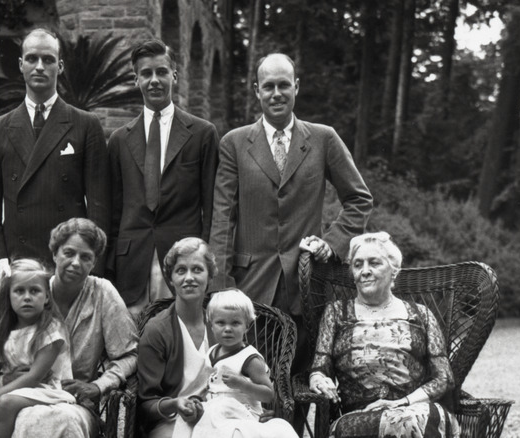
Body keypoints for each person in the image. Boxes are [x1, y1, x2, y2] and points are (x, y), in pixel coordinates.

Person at [208, 52, 373, 378]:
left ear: (296, 87)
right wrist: (222, 287)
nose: (276, 93)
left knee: (296, 385)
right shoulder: (235, 143)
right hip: (249, 287)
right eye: (268, 86)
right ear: (257, 91)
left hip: (305, 285)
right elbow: (222, 218)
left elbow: (359, 199)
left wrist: (332, 243)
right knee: (249, 384)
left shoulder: (323, 138)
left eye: (284, 85)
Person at [0, 28, 110, 279]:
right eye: (32, 59)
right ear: (21, 64)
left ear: (59, 66)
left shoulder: (85, 125)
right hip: (18, 265)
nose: (39, 66)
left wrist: (93, 266)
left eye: (48, 60)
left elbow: (98, 206)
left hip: (70, 262)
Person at [0, 218, 137, 437]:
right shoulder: (32, 293)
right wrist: (6, 378)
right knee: (26, 418)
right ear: (55, 254)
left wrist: (98, 386)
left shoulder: (102, 293)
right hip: (21, 396)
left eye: (86, 257)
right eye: (69, 253)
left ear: (94, 262)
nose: (76, 263)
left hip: (75, 402)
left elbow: (130, 355)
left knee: (63, 420)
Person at [309, 232, 460, 437]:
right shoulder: (336, 312)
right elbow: (319, 367)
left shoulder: (420, 314)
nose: (365, 271)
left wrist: (403, 403)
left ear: (394, 270)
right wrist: (318, 380)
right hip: (359, 416)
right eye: (357, 264)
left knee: (410, 420)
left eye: (374, 263)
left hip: (415, 407)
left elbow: (444, 378)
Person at [108, 39, 219, 316]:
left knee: (181, 341)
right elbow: (113, 210)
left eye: (161, 72)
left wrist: (205, 259)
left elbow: (213, 205)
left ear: (175, 75)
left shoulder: (202, 134)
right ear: (136, 80)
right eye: (146, 74)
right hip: (133, 263)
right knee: (133, 343)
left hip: (183, 260)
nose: (154, 80)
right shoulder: (119, 140)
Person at [0, 259, 75, 437]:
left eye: (35, 291)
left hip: (44, 392)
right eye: (19, 291)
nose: (27, 297)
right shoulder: (3, 332)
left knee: (5, 404)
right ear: (8, 297)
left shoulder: (50, 331)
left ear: (47, 296)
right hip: (7, 392)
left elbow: (34, 377)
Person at [179, 289, 297, 438]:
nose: (228, 329)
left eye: (235, 323)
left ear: (247, 326)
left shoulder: (250, 359)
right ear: (211, 324)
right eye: (221, 323)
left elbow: (268, 394)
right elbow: (206, 384)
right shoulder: (212, 352)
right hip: (215, 412)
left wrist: (243, 384)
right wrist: (197, 399)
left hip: (241, 414)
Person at [137, 237, 216, 437]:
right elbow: (145, 403)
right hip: (171, 422)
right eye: (181, 270)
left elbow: (241, 374)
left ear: (210, 276)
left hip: (219, 417)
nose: (189, 277)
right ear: (171, 279)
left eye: (197, 269)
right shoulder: (157, 330)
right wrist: (175, 404)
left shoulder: (222, 324)